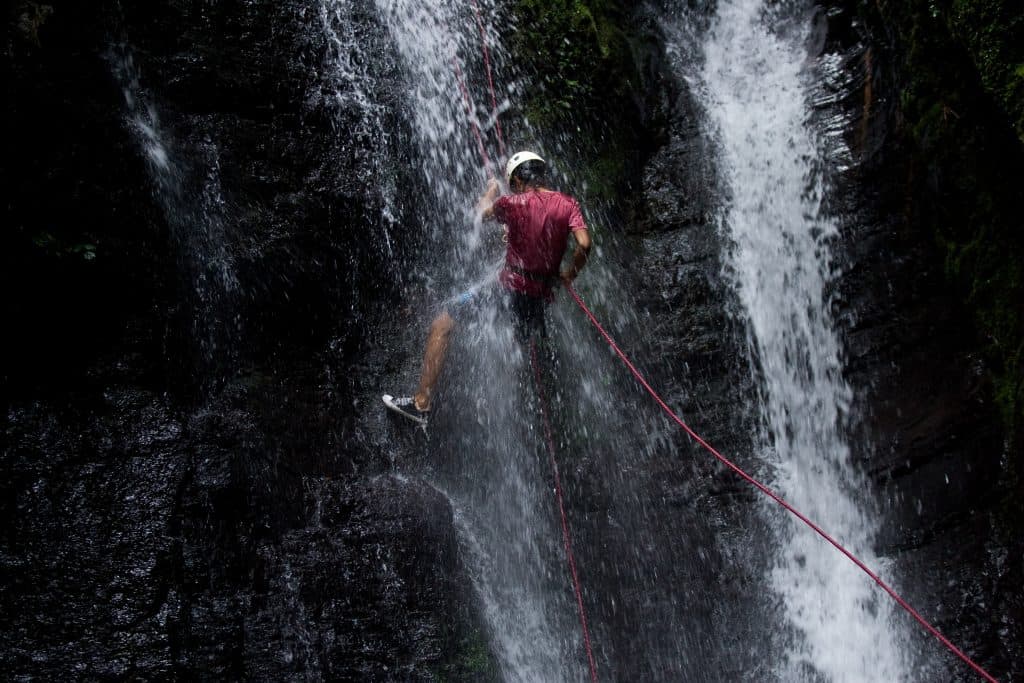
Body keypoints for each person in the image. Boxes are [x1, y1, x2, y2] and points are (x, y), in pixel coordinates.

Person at [384, 151, 592, 424]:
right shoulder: (568, 204)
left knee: (442, 323)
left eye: (512, 183)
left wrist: (491, 190)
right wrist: (569, 274)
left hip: (508, 290)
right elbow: (584, 244)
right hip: (537, 300)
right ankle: (493, 412)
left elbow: (480, 215)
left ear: (517, 179)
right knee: (511, 348)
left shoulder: (512, 202)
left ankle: (421, 404)